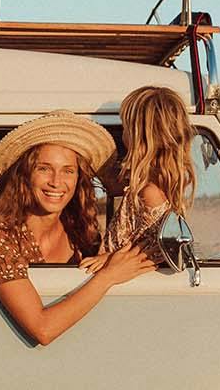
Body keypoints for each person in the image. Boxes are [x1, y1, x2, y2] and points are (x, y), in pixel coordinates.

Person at [0, 111, 155, 346]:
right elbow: (43, 329)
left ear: (78, 178)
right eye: (44, 168)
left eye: (68, 171)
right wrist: (107, 277)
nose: (56, 181)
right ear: (24, 175)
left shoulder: (80, 231)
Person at [80, 85, 196, 272]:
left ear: (137, 137)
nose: (123, 134)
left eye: (125, 128)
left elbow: (158, 250)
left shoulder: (150, 192)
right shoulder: (145, 186)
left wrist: (109, 258)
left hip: (115, 273)